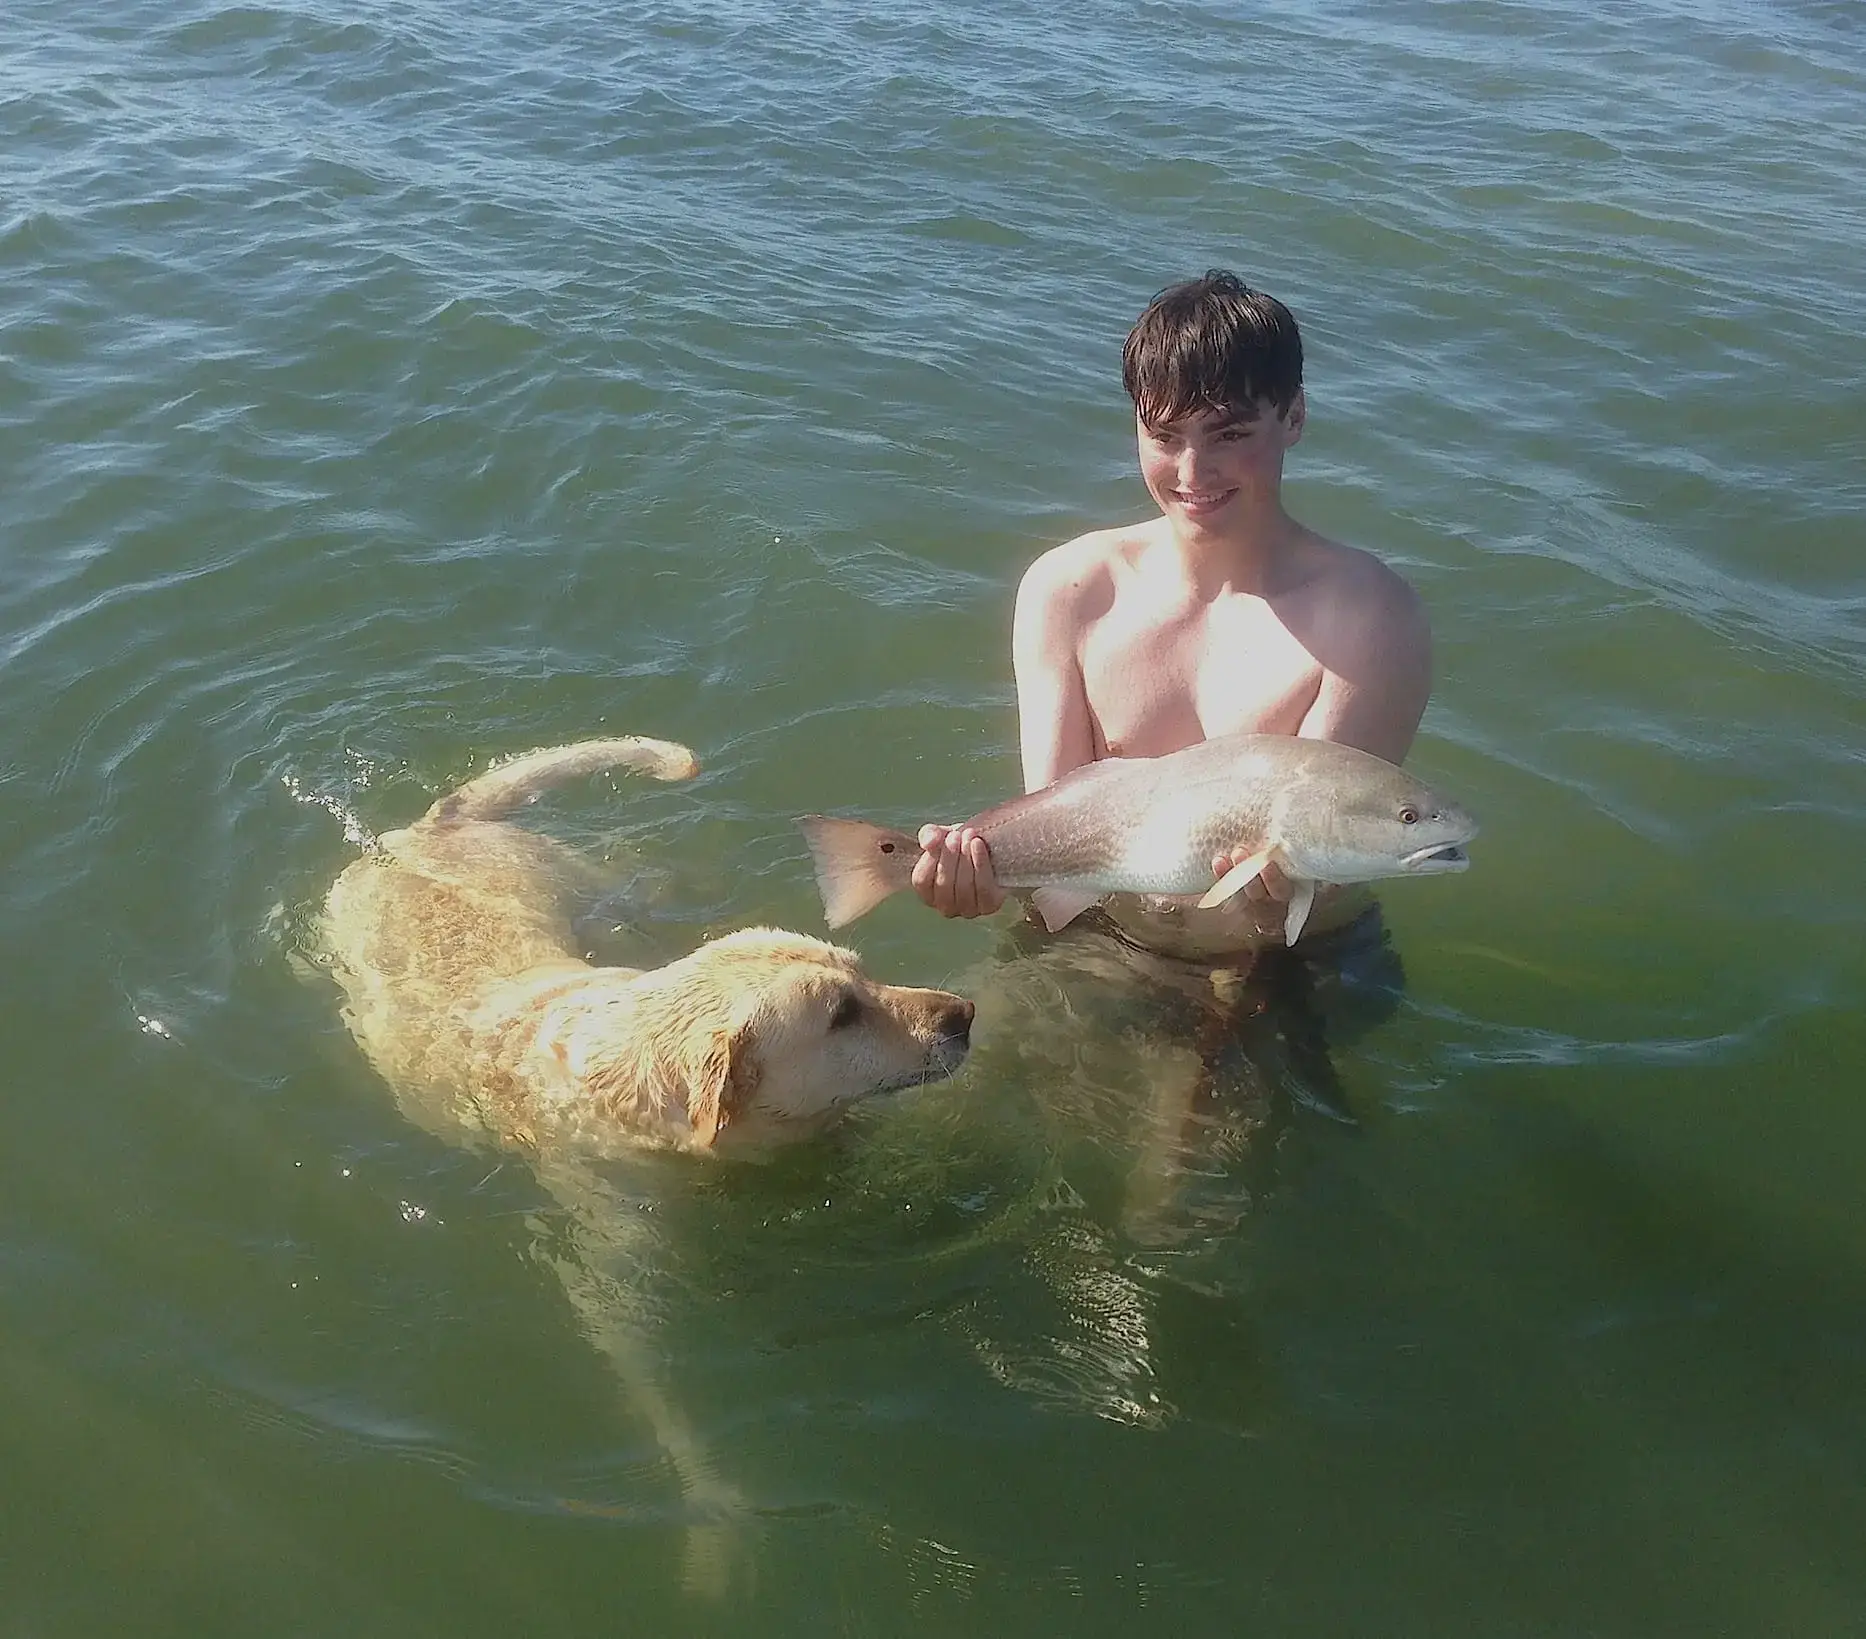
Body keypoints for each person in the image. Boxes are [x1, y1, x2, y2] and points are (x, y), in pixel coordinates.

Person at [912, 270, 1432, 963]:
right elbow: (1059, 853)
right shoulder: (1069, 591)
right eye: (1164, 436)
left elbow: (1327, 869)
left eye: (1229, 434)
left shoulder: (1372, 619)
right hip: (1099, 945)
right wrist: (973, 877)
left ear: (1294, 417)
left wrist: (1272, 907)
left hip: (1288, 962)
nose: (1193, 471)